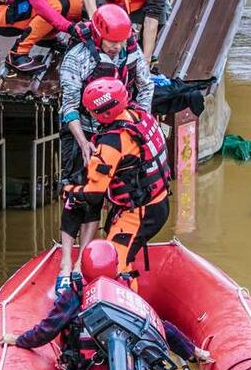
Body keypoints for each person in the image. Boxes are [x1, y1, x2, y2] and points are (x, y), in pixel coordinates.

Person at [57, 4, 154, 293]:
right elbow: (69, 107)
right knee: (76, 193)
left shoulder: (130, 52)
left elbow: (145, 87)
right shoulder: (77, 58)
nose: (116, 48)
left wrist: (138, 122)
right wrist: (83, 142)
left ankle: (82, 262)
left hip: (115, 132)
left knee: (98, 197)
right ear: (99, 35)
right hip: (83, 130)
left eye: (121, 42)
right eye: (112, 42)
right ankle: (65, 262)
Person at [0, 239, 211, 363]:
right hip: (128, 360)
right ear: (115, 265)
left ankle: (194, 353)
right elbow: (153, 323)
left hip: (87, 367)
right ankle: (196, 353)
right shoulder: (123, 286)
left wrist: (19, 340)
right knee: (161, 326)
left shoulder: (74, 292)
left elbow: (48, 329)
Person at [63, 78, 171, 281]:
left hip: (138, 212)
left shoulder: (112, 143)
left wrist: (69, 191)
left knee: (115, 267)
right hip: (157, 200)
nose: (91, 115)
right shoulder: (139, 116)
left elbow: (94, 195)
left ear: (104, 113)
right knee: (122, 258)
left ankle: (124, 307)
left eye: (92, 111)